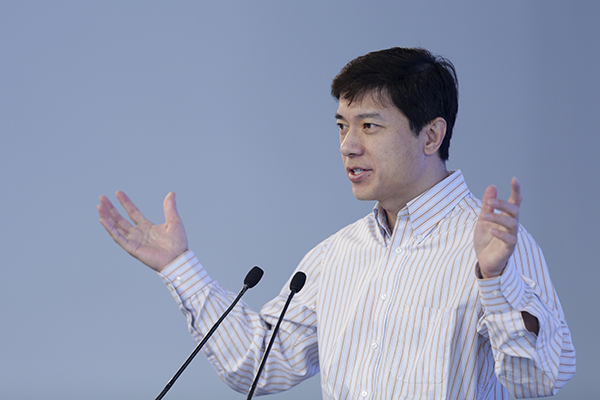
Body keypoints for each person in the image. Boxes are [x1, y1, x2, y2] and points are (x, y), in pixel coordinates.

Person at [98, 47, 575, 399]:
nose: (348, 145)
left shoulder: (495, 247)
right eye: (342, 126)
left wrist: (495, 280)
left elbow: (540, 380)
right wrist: (179, 265)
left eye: (369, 126)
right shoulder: (336, 255)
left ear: (431, 135)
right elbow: (258, 363)